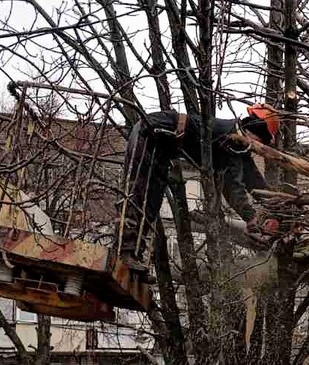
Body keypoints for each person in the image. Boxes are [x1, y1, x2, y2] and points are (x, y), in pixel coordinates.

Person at [120, 105, 282, 266]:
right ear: (255, 130)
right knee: (139, 194)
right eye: (260, 142)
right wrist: (251, 218)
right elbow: (232, 186)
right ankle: (124, 253)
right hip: (152, 132)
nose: (257, 147)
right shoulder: (231, 138)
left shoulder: (239, 147)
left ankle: (135, 256)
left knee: (152, 205)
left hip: (163, 149)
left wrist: (278, 210)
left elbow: (254, 180)